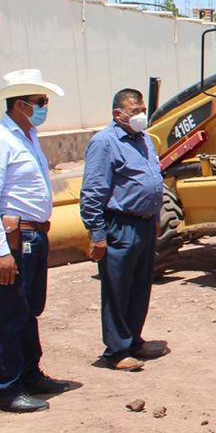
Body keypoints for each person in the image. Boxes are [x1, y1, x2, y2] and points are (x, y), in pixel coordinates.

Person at [0, 69, 71, 413]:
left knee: (29, 309)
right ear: (20, 105)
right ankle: (6, 388)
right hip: (17, 239)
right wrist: (2, 251)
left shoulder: (25, 136)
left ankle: (29, 374)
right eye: (40, 102)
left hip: (34, 234)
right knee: (12, 311)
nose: (45, 108)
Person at [80, 88, 166, 372]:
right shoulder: (104, 143)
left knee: (140, 287)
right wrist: (98, 234)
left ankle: (134, 340)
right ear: (118, 114)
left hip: (144, 224)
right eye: (135, 110)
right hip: (121, 225)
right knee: (118, 289)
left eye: (143, 109)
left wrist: (155, 218)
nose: (141, 115)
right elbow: (93, 192)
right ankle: (116, 351)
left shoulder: (144, 140)